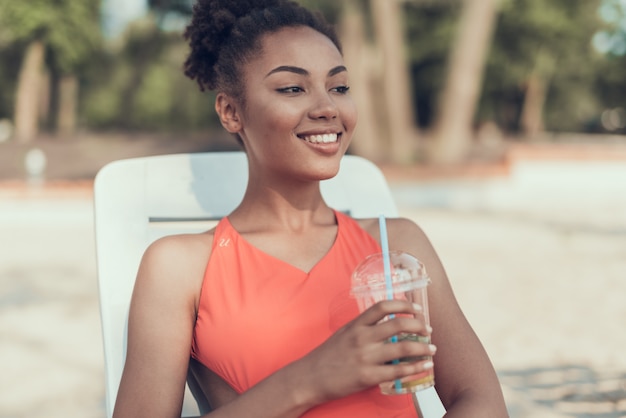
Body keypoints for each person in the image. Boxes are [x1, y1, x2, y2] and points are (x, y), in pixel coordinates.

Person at [112, 1, 508, 417]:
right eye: (292, 88)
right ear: (231, 111)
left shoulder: (396, 246)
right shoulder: (181, 268)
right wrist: (313, 377)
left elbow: (480, 399)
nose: (327, 107)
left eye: (338, 87)